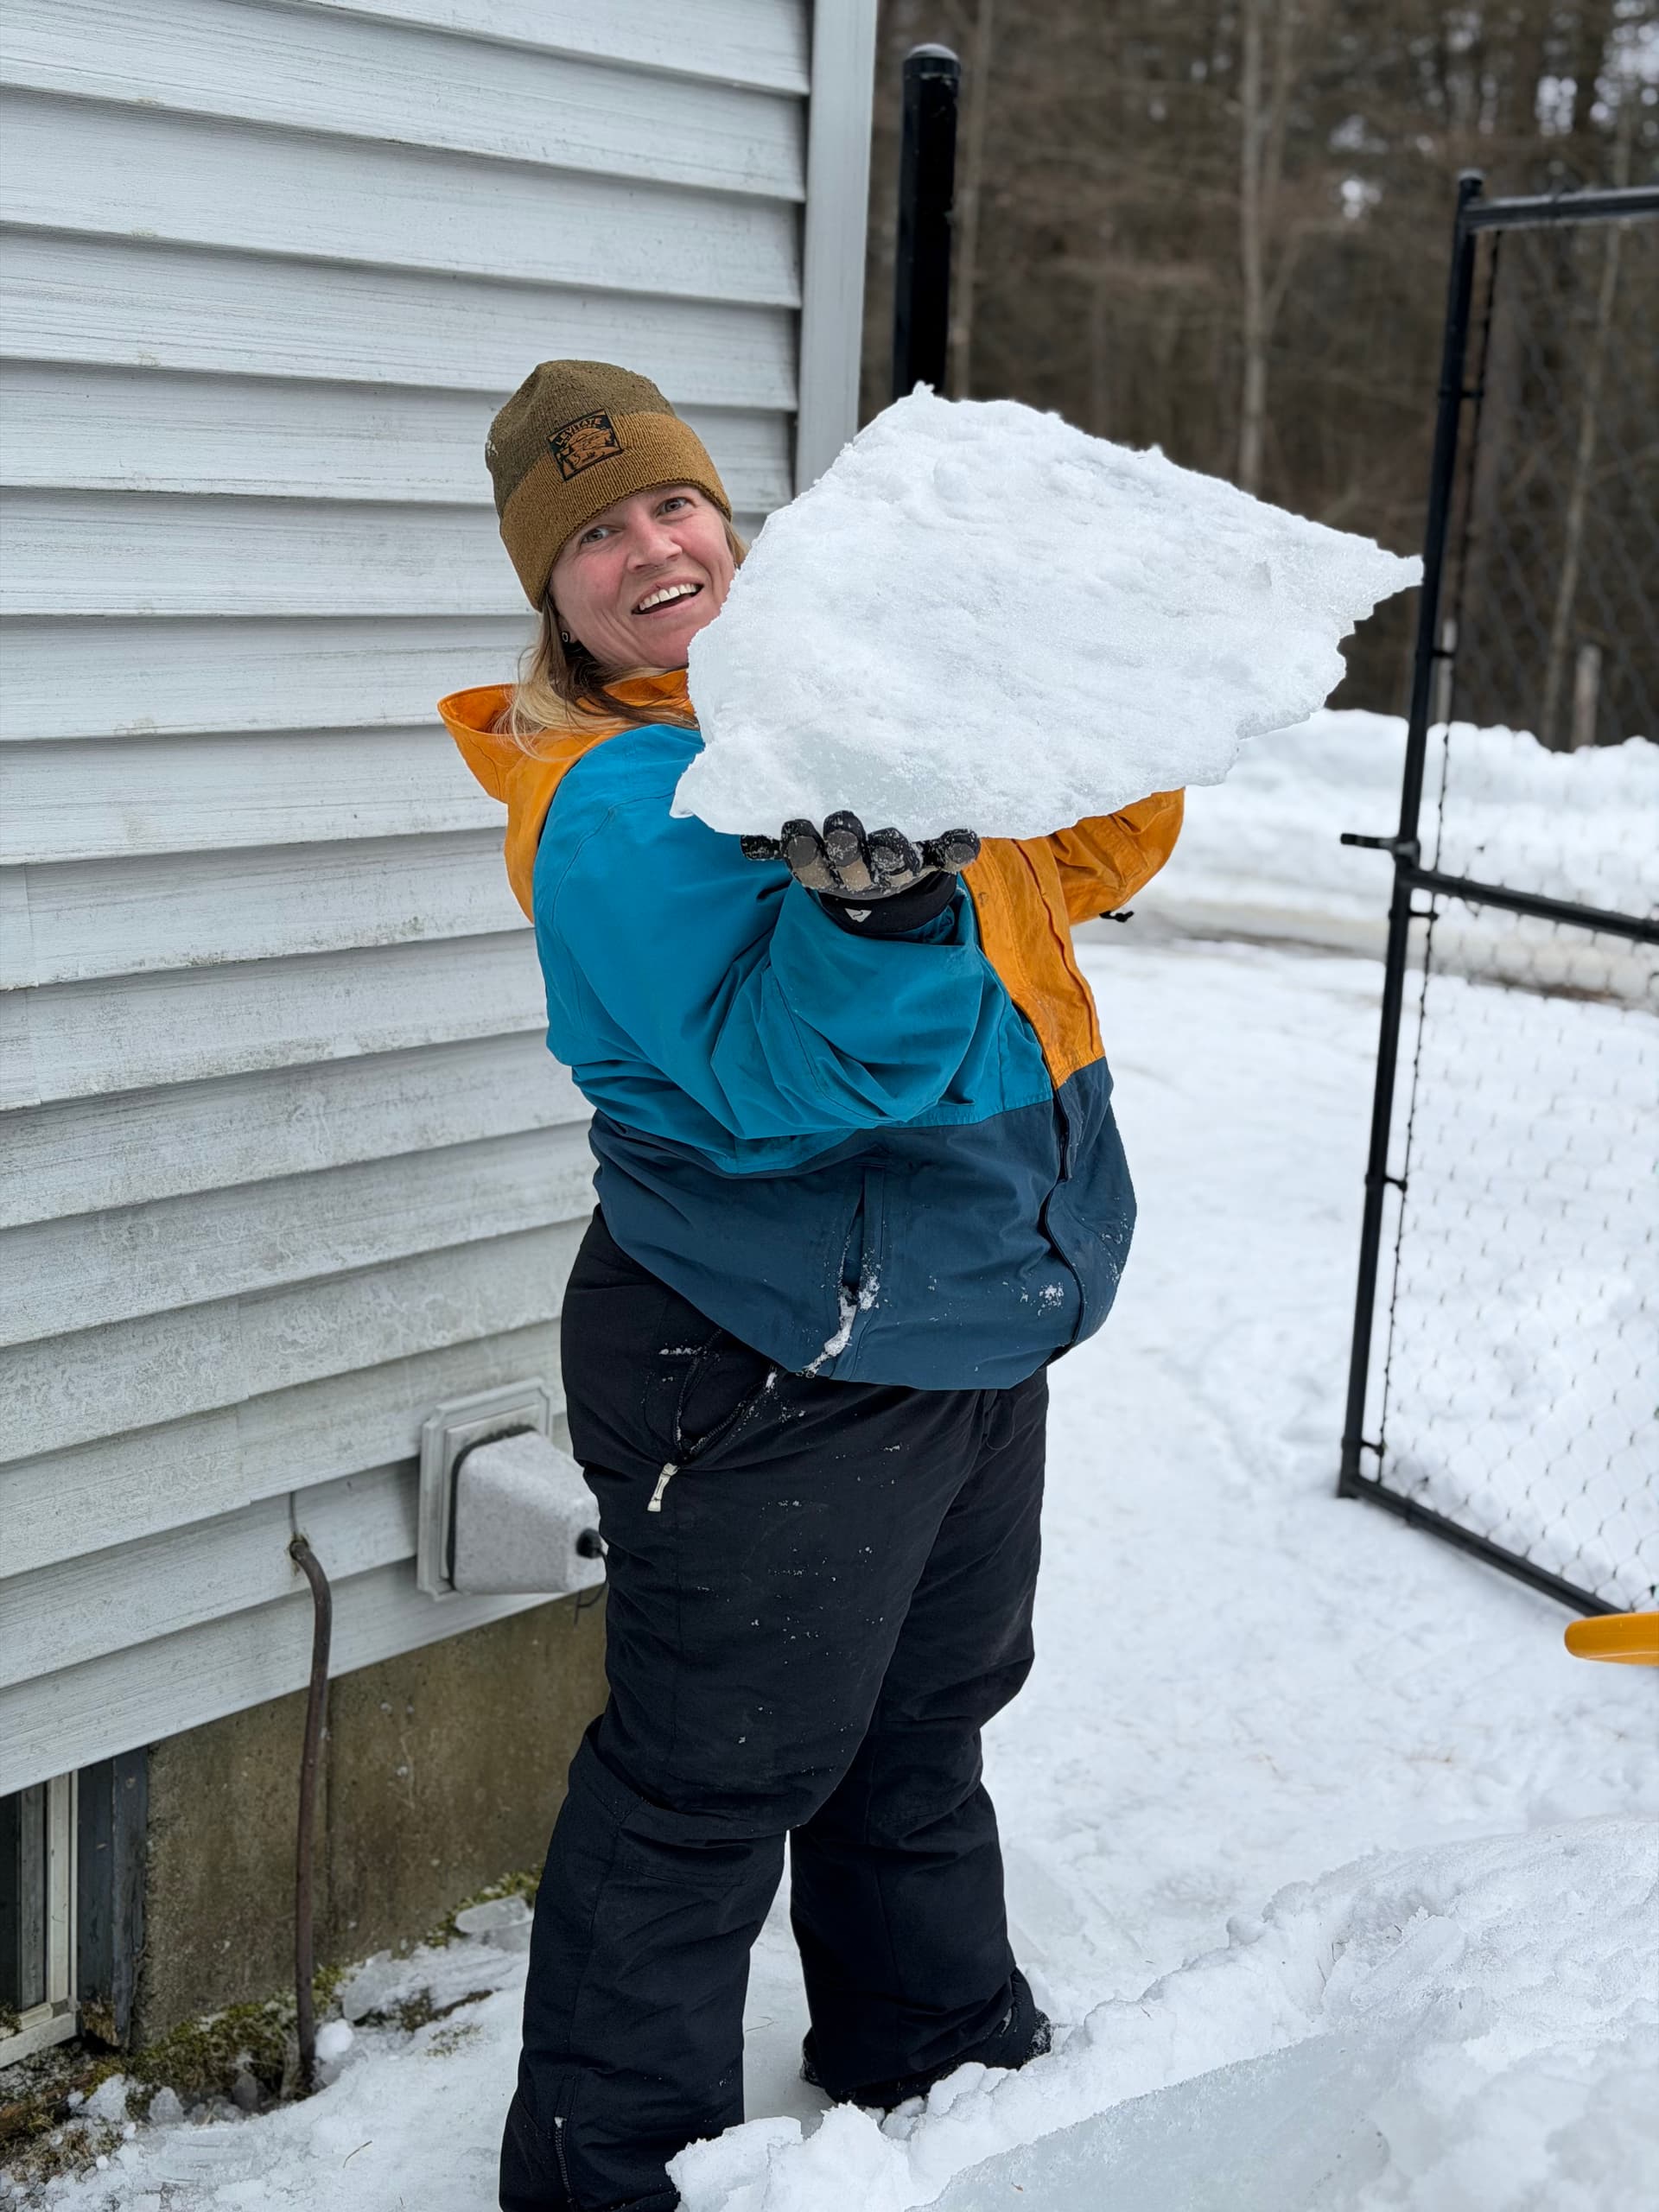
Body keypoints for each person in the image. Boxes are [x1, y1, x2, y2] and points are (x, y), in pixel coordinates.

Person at [440, 361, 1183, 2212]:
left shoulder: (846, 703)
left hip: (958, 1318)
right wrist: (870, 917)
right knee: (710, 1778)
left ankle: (931, 2049)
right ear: (555, 594)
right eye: (594, 535)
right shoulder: (618, 798)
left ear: (727, 519)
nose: (650, 550)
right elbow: (780, 1081)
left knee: (925, 1722)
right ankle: (607, 2163)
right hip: (771, 1354)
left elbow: (1084, 850)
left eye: (670, 507)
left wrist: (1096, 684)